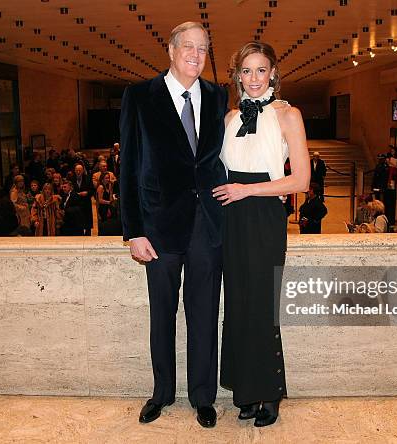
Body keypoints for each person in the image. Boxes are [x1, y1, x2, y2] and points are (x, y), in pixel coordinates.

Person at [120, 21, 228, 428]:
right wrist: (133, 230)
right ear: (171, 50)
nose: (196, 56)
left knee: (204, 313)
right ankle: (161, 393)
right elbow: (128, 166)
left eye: (203, 49)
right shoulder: (139, 97)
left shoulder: (218, 96)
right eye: (189, 47)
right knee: (161, 315)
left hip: (207, 225)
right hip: (158, 226)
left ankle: (203, 397)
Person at [213, 41, 309, 427]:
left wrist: (246, 190)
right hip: (230, 217)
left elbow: (300, 180)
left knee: (261, 305)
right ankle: (245, 391)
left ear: (273, 74)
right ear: (237, 76)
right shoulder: (228, 119)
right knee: (236, 303)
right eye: (247, 71)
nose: (254, 79)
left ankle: (269, 392)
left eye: (261, 70)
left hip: (264, 213)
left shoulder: (289, 114)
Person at [72, 163, 94, 235]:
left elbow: (92, 190)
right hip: (76, 204)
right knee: (78, 223)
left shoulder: (88, 178)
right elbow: (70, 191)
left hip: (86, 203)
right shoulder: (72, 179)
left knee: (87, 224)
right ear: (74, 171)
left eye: (80, 170)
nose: (78, 172)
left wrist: (87, 193)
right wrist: (76, 194)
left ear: (83, 171)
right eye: (77, 170)